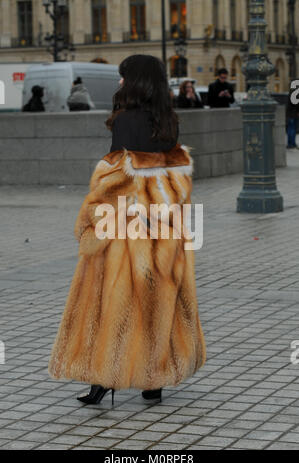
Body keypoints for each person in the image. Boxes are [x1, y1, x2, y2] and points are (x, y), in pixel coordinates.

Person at [48, 54, 206, 405]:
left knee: (112, 300)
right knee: (157, 298)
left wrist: (88, 223)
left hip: (126, 224)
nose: (119, 83)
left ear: (135, 82)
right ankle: (154, 379)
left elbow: (114, 180)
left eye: (123, 78)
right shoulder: (169, 120)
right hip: (165, 226)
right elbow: (166, 173)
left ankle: (104, 379)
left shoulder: (126, 120)